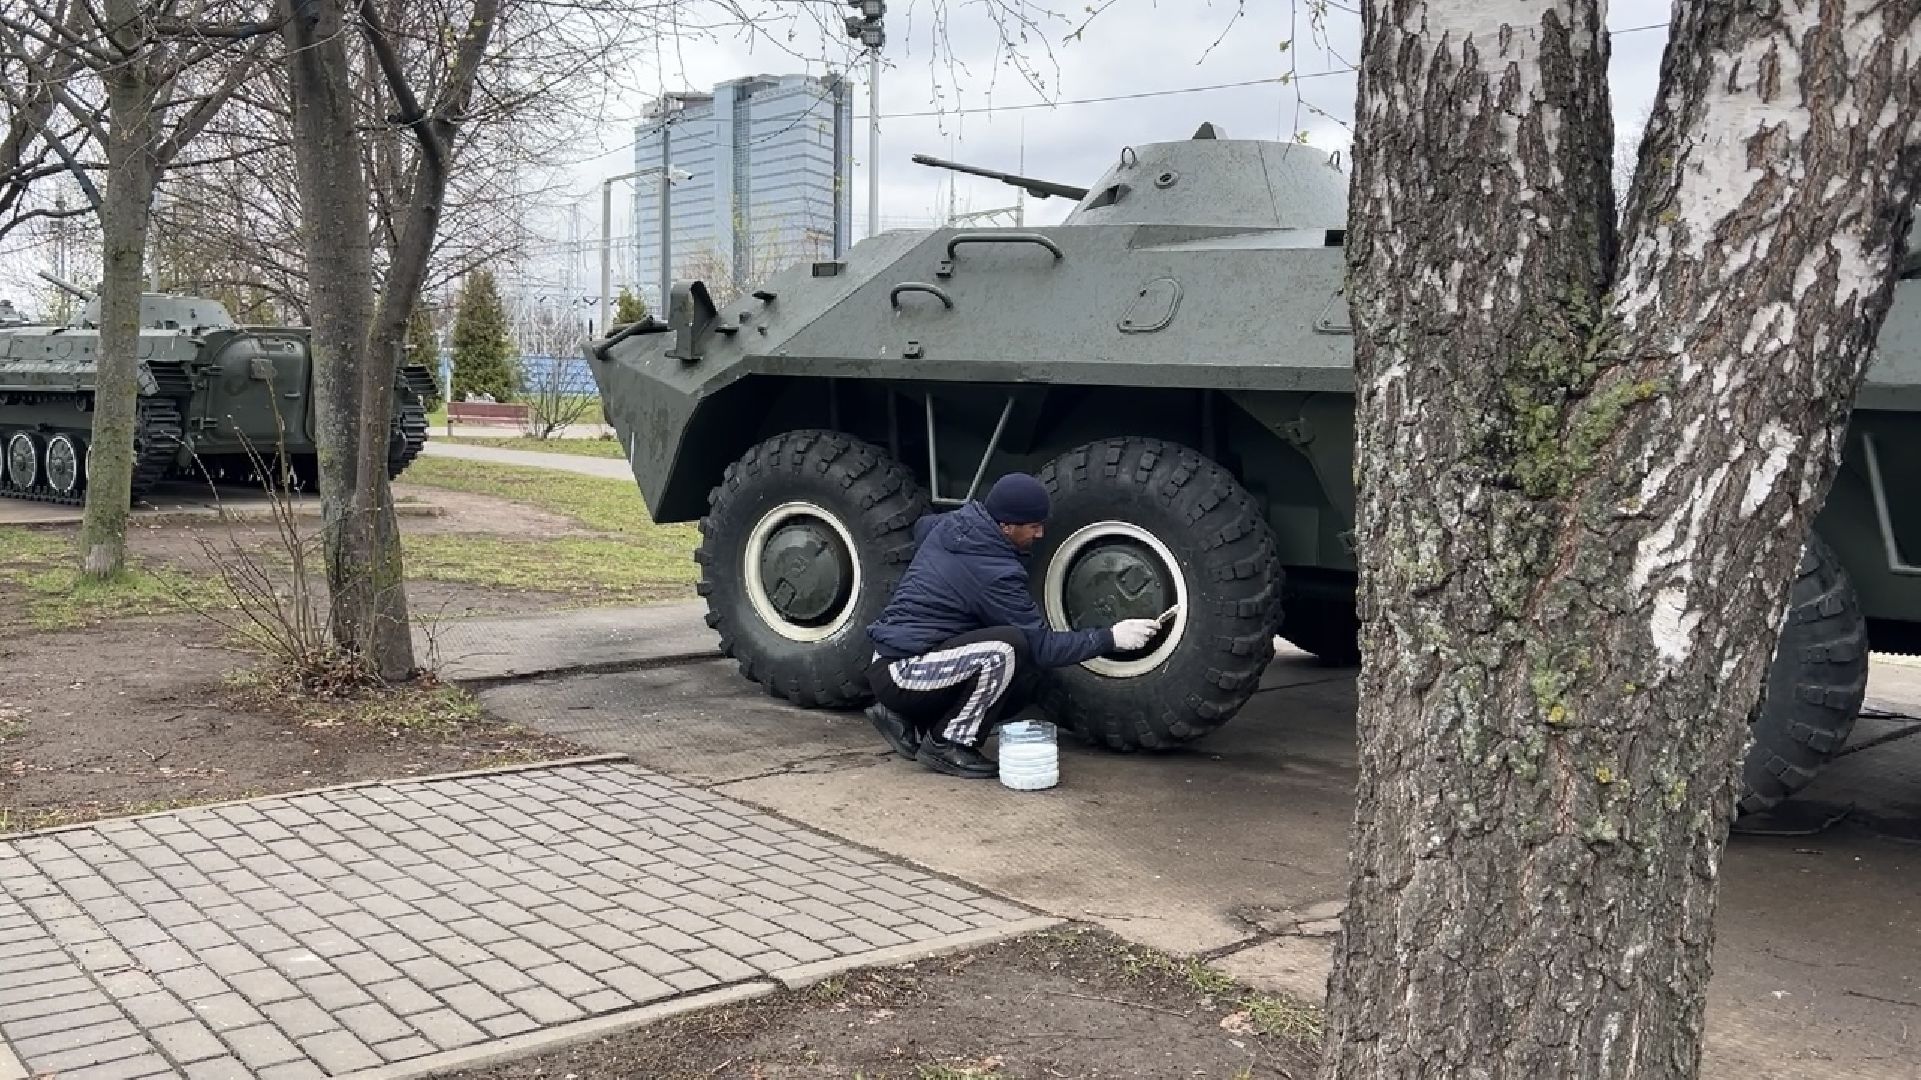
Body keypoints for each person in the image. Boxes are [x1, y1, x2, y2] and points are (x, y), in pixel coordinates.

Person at [863, 472, 1161, 778]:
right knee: (1005, 651)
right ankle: (947, 744)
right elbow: (1042, 647)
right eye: (1033, 526)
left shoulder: (959, 525)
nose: (1040, 533)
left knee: (1024, 677)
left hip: (903, 659)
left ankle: (903, 715)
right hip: (902, 671)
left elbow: (922, 528)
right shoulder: (992, 570)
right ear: (1006, 526)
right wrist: (1111, 637)